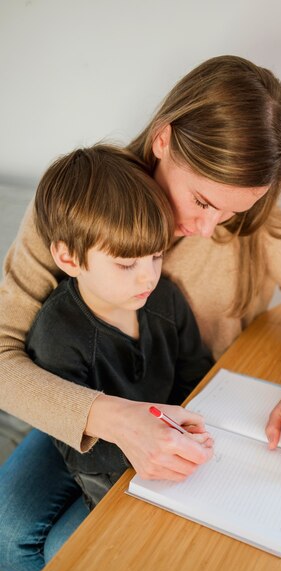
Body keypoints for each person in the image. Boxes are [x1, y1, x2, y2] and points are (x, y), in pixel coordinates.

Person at [0, 55, 281, 571]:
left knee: (65, 549)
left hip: (189, 405)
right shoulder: (83, 203)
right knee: (11, 534)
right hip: (85, 401)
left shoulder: (258, 223)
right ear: (164, 139)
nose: (208, 227)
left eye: (229, 213)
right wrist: (115, 418)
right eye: (202, 200)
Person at [25, 143, 214, 511]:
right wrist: (145, 449)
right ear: (69, 258)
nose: (148, 277)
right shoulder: (57, 334)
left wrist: (190, 428)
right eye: (126, 264)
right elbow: (76, 448)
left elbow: (196, 370)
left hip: (172, 447)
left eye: (157, 255)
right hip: (103, 470)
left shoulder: (165, 298)